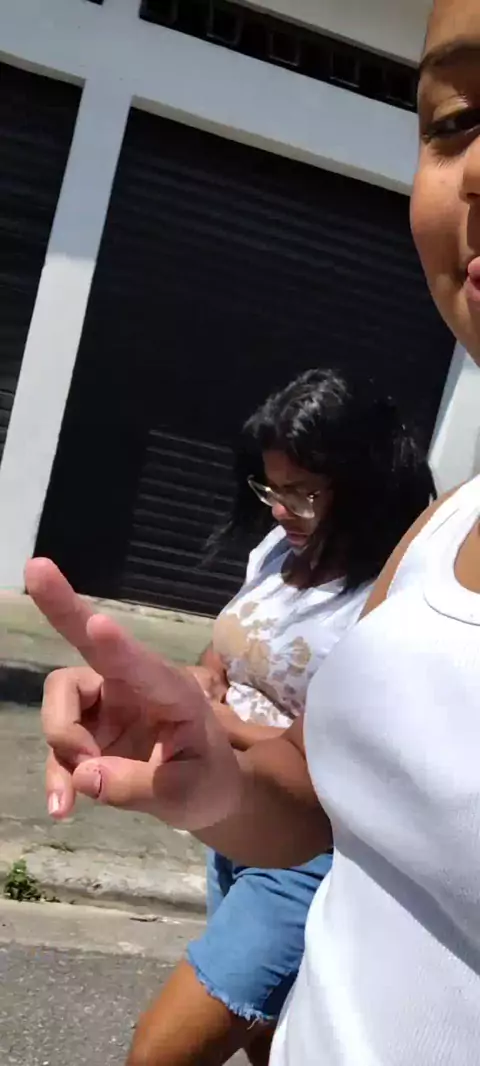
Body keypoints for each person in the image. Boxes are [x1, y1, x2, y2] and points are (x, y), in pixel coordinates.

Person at [25, 1, 480, 1062]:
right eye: (455, 118)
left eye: (305, 491)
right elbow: (327, 801)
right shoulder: (440, 534)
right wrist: (209, 767)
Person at [120, 368, 433, 1066]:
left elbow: (337, 746)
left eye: (304, 492)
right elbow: (230, 647)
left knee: (160, 1052)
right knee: (273, 1039)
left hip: (307, 849)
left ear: (364, 483)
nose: (282, 510)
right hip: (236, 821)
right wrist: (203, 677)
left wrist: (214, 723)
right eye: (271, 489)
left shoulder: (387, 597)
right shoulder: (275, 553)